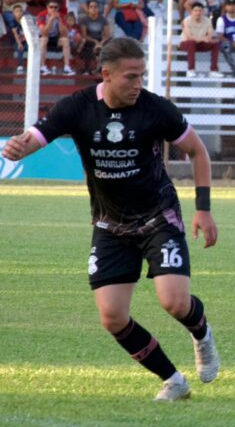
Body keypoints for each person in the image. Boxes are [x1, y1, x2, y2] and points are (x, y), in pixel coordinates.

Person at [2, 37, 220, 401]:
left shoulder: (156, 108)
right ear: (106, 74)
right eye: (131, 77)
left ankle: (202, 335)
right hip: (110, 225)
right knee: (113, 317)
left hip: (158, 217)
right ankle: (174, 380)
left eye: (141, 76)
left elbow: (198, 151)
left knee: (174, 303)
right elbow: (38, 135)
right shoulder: (78, 107)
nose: (138, 84)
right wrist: (18, 146)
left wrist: (203, 208)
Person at [37, 1, 75, 75]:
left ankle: (67, 67)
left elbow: (64, 33)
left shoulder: (61, 16)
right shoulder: (42, 15)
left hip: (55, 37)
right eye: (51, 7)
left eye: (55, 7)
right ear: (47, 7)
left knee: (65, 40)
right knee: (44, 39)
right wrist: (50, 20)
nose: (53, 9)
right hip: (43, 37)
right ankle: (42, 67)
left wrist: (60, 20)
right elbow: (43, 33)